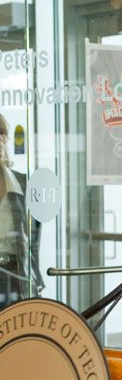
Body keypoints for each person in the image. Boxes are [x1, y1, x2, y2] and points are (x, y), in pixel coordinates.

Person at [0, 113, 43, 309]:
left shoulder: (24, 184)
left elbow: (33, 244)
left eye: (1, 133)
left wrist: (36, 281)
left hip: (17, 276)